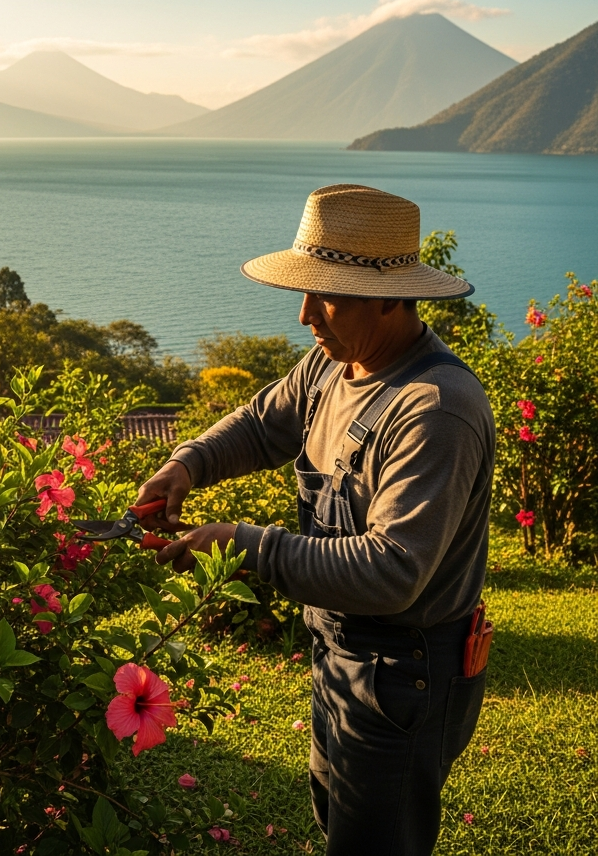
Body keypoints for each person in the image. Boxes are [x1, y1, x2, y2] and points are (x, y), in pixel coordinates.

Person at [137, 184, 495, 856]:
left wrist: (243, 546)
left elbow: (393, 573)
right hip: (339, 650)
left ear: (392, 296)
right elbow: (260, 423)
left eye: (326, 295)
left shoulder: (434, 408)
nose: (305, 315)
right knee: (342, 824)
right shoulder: (337, 365)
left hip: (403, 672)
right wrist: (185, 466)